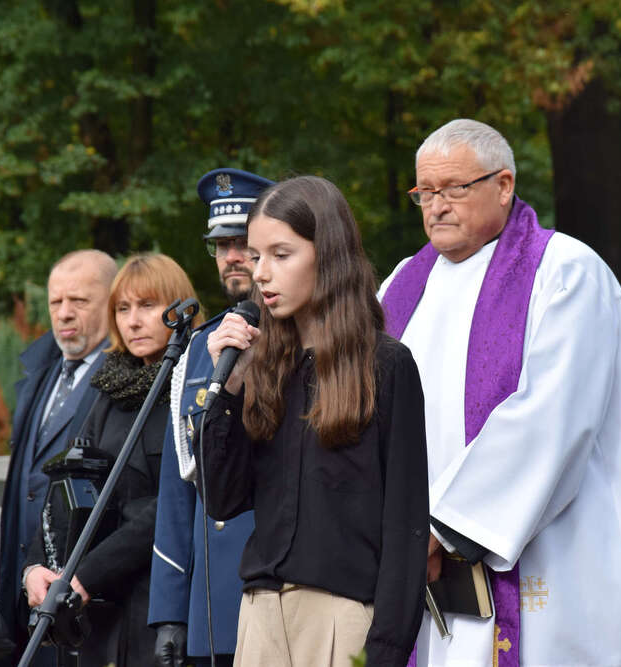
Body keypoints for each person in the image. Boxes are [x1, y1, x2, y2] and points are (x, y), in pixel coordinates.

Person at [379, 119, 621, 666]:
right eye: (425, 192)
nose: (437, 206)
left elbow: (550, 420)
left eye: (454, 188)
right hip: (423, 567)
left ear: (503, 185)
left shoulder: (566, 272)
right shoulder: (400, 286)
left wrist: (442, 530)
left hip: (548, 563)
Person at [199, 175, 429, 667]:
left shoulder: (385, 366)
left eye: (281, 255)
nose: (261, 273)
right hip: (261, 613)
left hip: (341, 616)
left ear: (327, 254)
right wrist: (230, 390)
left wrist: (386, 647)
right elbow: (222, 497)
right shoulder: (264, 365)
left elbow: (405, 523)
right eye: (256, 256)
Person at [23, 252, 204, 667]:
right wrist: (37, 566)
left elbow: (174, 502)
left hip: (161, 598)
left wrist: (86, 574)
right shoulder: (110, 388)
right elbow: (67, 483)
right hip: (99, 610)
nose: (133, 321)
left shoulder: (195, 383)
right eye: (123, 308)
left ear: (179, 309)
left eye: (147, 306)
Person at [149, 168, 273, 667]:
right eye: (221, 246)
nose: (232, 257)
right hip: (210, 604)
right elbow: (178, 491)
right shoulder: (200, 347)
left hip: (284, 590)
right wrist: (170, 612)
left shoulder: (308, 338)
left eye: (244, 242)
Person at [0, 249, 117, 665]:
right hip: (28, 597)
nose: (64, 313)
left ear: (112, 302)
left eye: (79, 301)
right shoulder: (39, 377)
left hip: (85, 607)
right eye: (56, 302)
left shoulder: (124, 380)